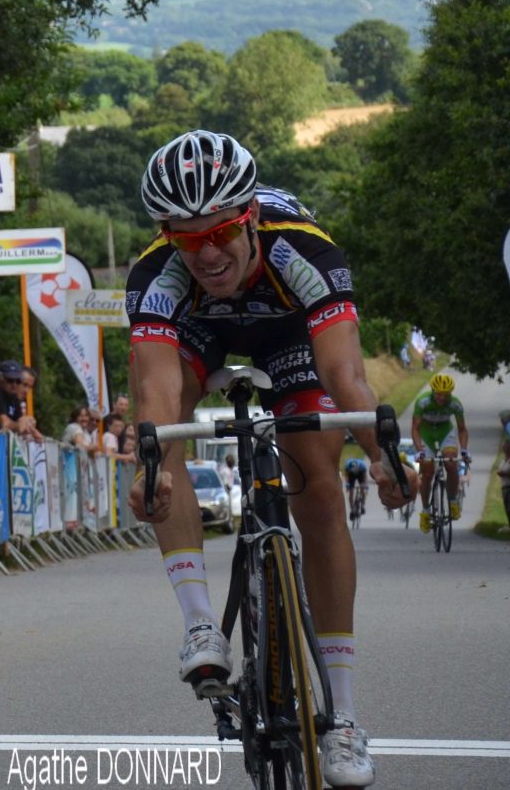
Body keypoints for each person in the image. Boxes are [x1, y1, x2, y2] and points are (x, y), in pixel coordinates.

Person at [125, 129, 412, 788]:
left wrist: (383, 457)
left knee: (316, 482)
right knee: (157, 441)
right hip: (203, 334)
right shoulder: (157, 273)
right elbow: (159, 390)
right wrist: (150, 469)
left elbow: (346, 376)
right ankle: (201, 625)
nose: (206, 252)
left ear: (248, 215)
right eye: (186, 236)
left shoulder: (303, 248)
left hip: (289, 334)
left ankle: (341, 715)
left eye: (220, 230)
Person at [410, 373, 470, 533]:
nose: (442, 398)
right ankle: (426, 511)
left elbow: (462, 429)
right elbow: (415, 428)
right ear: (433, 391)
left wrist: (464, 450)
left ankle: (453, 501)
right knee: (427, 471)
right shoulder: (423, 401)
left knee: (451, 463)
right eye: (439, 394)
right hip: (426, 433)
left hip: (445, 432)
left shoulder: (455, 404)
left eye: (446, 394)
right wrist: (420, 451)